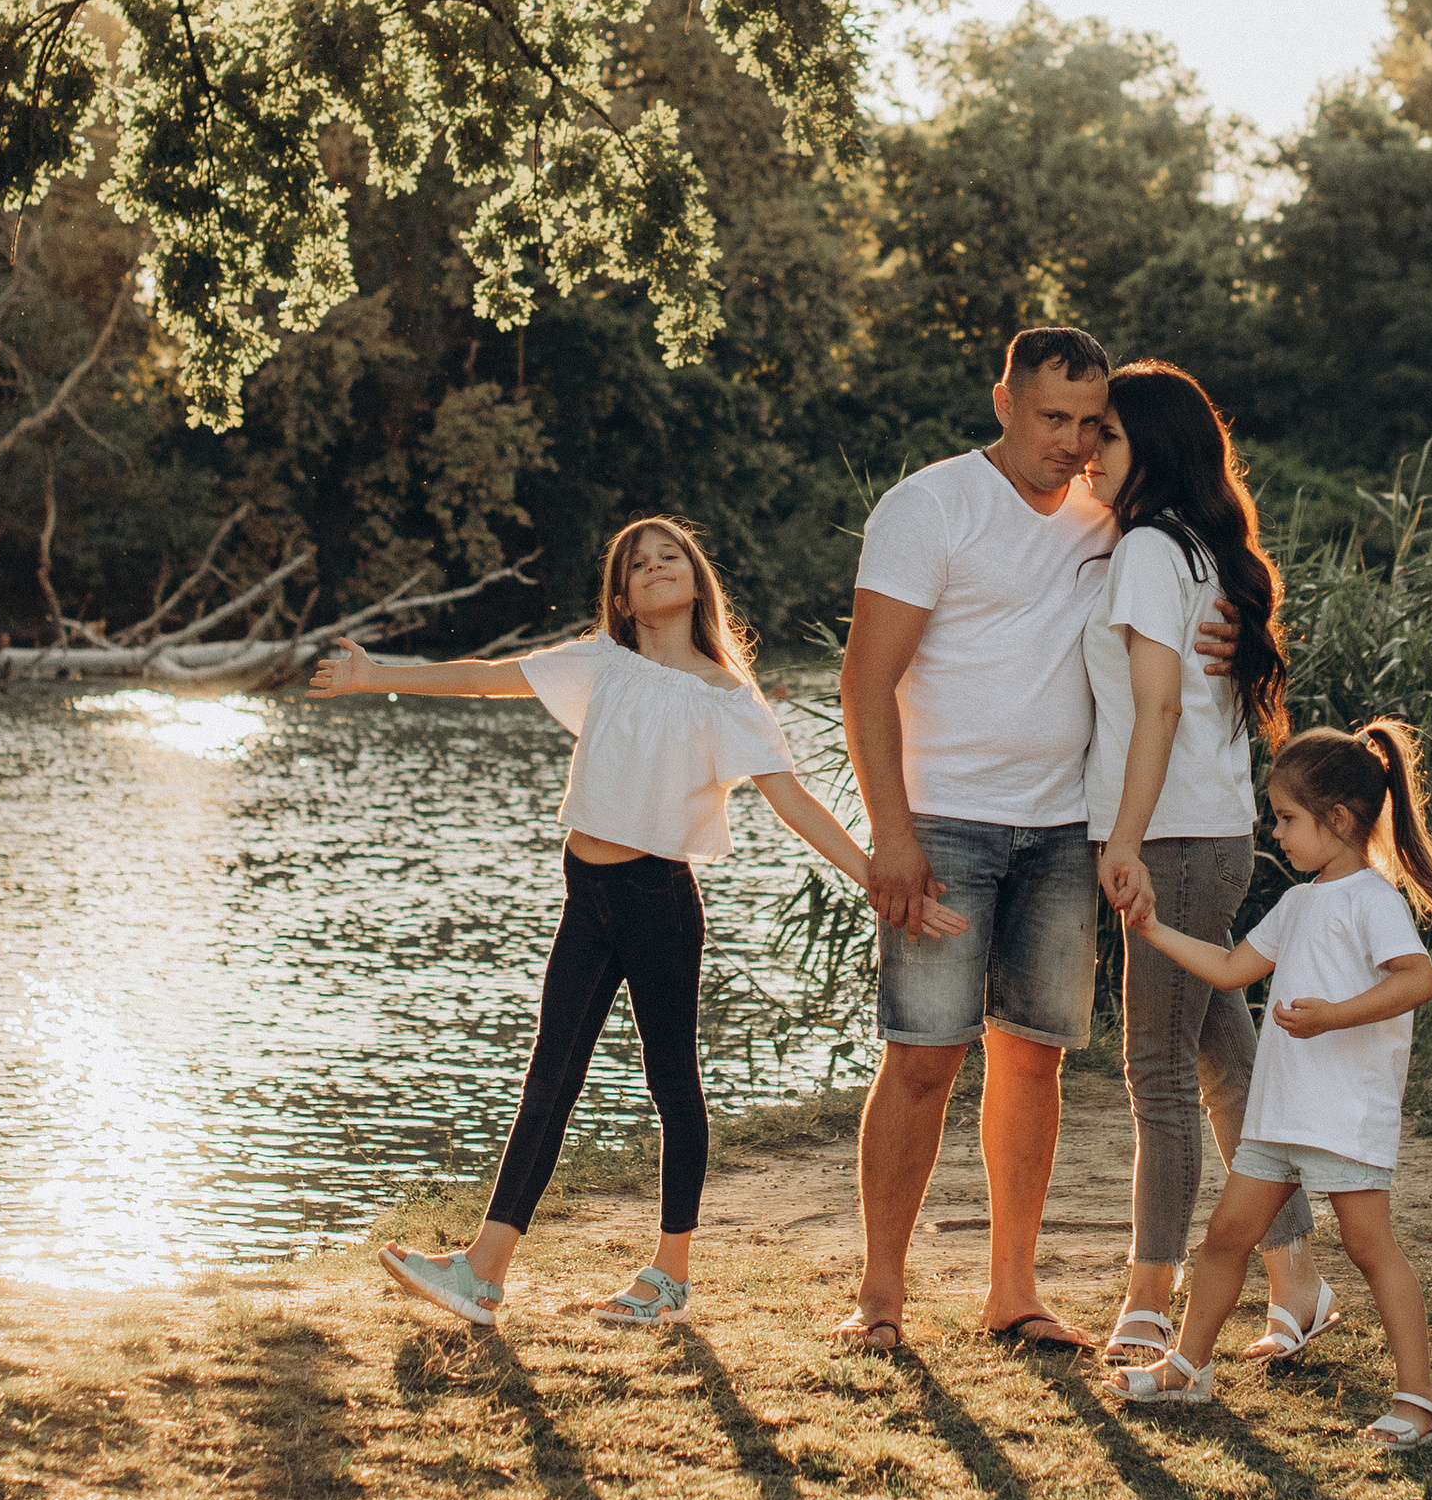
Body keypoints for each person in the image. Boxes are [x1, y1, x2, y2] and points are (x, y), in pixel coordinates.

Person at [311, 516, 954, 1333]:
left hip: (657, 899)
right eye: (639, 564)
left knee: (670, 1082)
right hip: (587, 891)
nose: (656, 568)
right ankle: (484, 1271)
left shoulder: (727, 697)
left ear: (695, 578)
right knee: (551, 1076)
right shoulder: (599, 663)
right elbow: (487, 676)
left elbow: (793, 803)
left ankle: (670, 1274)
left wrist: (878, 880)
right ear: (621, 594)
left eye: (670, 557)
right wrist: (377, 676)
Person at [840, 323, 1232, 1354]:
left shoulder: (1114, 515)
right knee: (923, 1059)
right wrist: (891, 832)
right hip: (945, 823)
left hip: (1066, 826)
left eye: (1088, 424)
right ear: (1002, 399)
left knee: (1032, 1062)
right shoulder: (929, 507)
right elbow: (863, 682)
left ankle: (1011, 1292)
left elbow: (1202, 571)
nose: (1069, 441)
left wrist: (1230, 631)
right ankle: (880, 1294)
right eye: (1050, 417)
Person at [1109, 720, 1432, 1442]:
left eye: (1288, 819)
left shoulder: (1372, 900)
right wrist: (1152, 931)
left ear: (1339, 820)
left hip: (1340, 1115)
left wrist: (1333, 1017)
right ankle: (1187, 1369)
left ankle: (1419, 1402)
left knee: (1369, 1247)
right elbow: (1234, 970)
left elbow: (1419, 980)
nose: (1277, 832)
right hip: (1278, 1117)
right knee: (1225, 1237)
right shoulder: (1299, 904)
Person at [1083, 361, 1330, 1371]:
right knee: (1224, 1066)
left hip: (1174, 840)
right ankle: (1300, 1284)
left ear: (1152, 448)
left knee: (1157, 1073)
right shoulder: (1191, 549)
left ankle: (1151, 1298)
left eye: (1104, 434)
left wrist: (1125, 842)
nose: (1088, 452)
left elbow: (1159, 706)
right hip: (1207, 832)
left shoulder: (1148, 546)